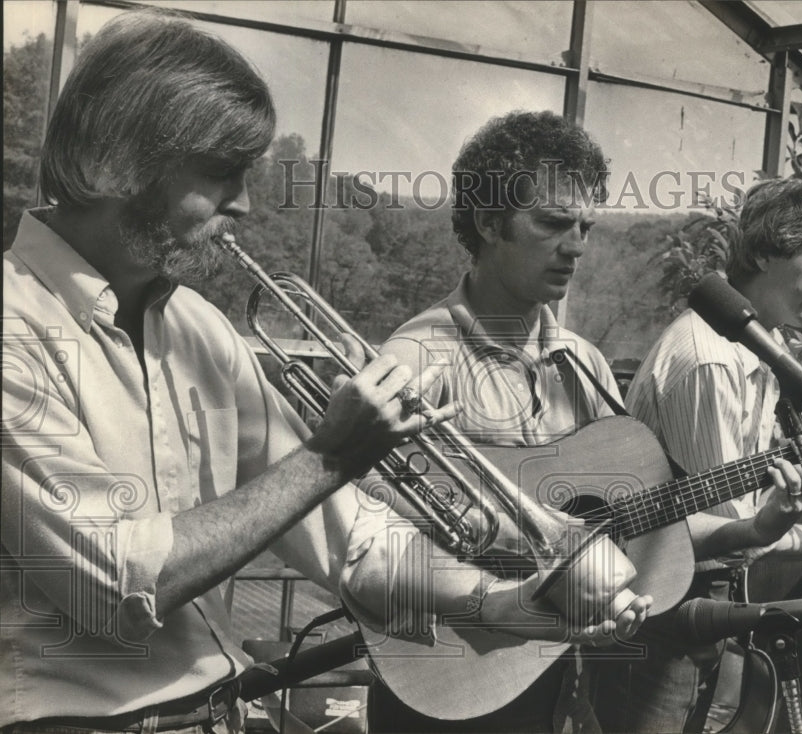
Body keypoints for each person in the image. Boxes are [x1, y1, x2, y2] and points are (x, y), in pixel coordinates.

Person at [0, 13, 606, 732]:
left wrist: (497, 602)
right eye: (221, 172)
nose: (245, 204)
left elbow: (355, 542)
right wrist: (329, 457)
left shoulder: (198, 327)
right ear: (112, 162)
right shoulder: (16, 326)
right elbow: (119, 581)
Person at [358, 110, 802, 734]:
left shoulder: (584, 363)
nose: (577, 246)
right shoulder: (414, 362)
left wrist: (753, 527)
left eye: (585, 226)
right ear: (488, 222)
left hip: (556, 687)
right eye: (551, 224)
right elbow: (365, 550)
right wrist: (502, 593)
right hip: (449, 688)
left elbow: (641, 517)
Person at [593, 178, 802, 733]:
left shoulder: (757, 342)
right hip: (657, 616)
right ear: (763, 251)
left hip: (700, 611)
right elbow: (726, 535)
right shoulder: (709, 358)